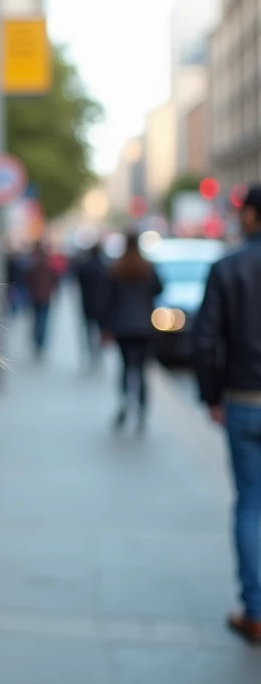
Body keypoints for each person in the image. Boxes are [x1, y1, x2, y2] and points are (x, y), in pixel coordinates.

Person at [193, 183, 261, 645]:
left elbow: (206, 340)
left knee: (251, 505)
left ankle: (255, 611)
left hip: (245, 401)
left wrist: (212, 396)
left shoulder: (228, 266)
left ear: (252, 216)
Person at [99, 232, 163, 432]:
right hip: (144, 325)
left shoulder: (116, 268)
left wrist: (105, 328)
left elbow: (108, 301)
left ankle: (125, 401)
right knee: (143, 370)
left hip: (123, 326)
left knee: (126, 367)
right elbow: (159, 289)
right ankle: (142, 412)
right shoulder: (148, 268)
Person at [74, 240, 108, 371]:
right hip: (101, 304)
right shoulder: (105, 267)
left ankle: (91, 352)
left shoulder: (85, 267)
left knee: (89, 330)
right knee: (100, 330)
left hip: (87, 303)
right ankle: (98, 353)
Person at [24, 240, 60, 360]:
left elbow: (28, 281)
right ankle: (40, 342)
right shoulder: (48, 269)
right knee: (42, 321)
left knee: (38, 320)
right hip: (44, 297)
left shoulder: (33, 268)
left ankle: (38, 341)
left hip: (36, 297)